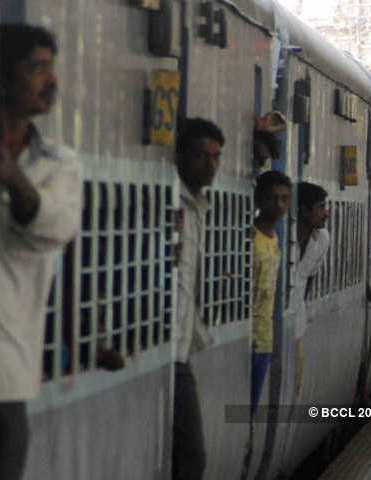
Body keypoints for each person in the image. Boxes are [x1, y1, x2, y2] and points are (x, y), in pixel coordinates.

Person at [0, 25, 82, 480]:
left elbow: (55, 228)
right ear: (1, 78)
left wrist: (8, 174)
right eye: (36, 68)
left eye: (52, 67)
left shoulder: (58, 163)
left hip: (7, 374)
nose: (51, 81)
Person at [173, 117, 224, 480]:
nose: (210, 165)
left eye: (216, 157)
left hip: (180, 348)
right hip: (164, 350)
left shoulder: (198, 205)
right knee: (192, 458)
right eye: (201, 155)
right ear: (180, 156)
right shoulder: (171, 201)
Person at [250, 170, 292, 417]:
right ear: (258, 200)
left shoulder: (273, 238)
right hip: (249, 340)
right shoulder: (250, 238)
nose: (278, 205)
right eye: (272, 198)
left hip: (264, 340)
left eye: (284, 198)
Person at [290, 182, 330, 406]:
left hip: (297, 323)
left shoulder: (322, 239)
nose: (326, 213)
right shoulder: (283, 235)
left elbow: (310, 277)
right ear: (304, 211)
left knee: (295, 384)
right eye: (321, 207)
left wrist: (300, 308)